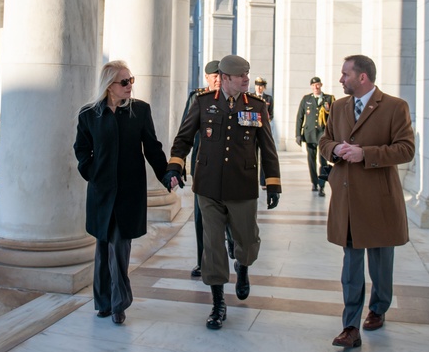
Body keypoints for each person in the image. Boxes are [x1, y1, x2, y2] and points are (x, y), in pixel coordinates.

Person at [167, 54, 281, 330]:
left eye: (247, 74)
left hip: (242, 187)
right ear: (226, 78)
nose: (247, 79)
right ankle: (218, 303)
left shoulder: (256, 106)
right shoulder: (203, 103)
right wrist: (175, 165)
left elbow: (267, 148)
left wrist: (273, 182)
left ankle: (242, 267)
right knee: (213, 244)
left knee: (248, 241)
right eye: (241, 75)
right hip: (208, 187)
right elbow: (183, 138)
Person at [318, 54, 414, 349]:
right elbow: (324, 141)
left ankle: (379, 307)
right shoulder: (338, 106)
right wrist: (335, 150)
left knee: (381, 262)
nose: (340, 79)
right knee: (351, 264)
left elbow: (406, 149)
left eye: (345, 74)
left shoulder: (395, 107)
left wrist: (366, 154)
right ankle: (350, 326)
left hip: (380, 199)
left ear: (362, 77)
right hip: (347, 199)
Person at [74, 60, 170, 326]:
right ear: (109, 86)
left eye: (131, 80)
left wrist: (166, 174)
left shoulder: (140, 111)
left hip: (129, 192)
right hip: (101, 192)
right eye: (124, 82)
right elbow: (82, 149)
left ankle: (118, 303)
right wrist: (91, 171)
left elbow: (152, 147)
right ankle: (103, 303)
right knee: (102, 244)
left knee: (119, 245)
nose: (130, 86)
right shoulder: (89, 114)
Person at [181, 60, 234, 278]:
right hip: (203, 166)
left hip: (230, 167)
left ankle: (232, 242)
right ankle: (203, 261)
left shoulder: (234, 98)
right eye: (214, 77)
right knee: (201, 215)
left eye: (220, 77)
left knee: (232, 210)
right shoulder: (197, 98)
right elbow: (185, 132)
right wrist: (179, 161)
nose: (217, 81)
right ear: (207, 78)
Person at [295, 76, 335, 196]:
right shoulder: (306, 99)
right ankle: (314, 182)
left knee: (323, 161)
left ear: (321, 85)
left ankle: (322, 185)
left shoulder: (329, 99)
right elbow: (300, 117)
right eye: (313, 85)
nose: (315, 87)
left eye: (317, 85)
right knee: (311, 160)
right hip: (310, 134)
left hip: (323, 135)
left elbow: (334, 117)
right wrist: (298, 134)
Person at [253, 76, 273, 189]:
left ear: (264, 87)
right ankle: (253, 179)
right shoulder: (249, 97)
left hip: (264, 130)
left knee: (265, 155)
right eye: (257, 85)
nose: (259, 88)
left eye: (261, 86)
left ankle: (263, 181)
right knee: (253, 155)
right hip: (253, 130)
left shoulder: (269, 99)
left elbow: (271, 114)